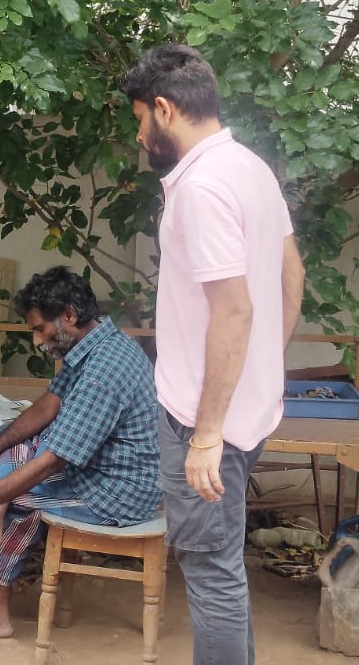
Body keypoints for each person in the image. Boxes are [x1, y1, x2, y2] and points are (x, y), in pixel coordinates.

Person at [120, 44, 306, 665]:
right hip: (245, 410)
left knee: (211, 573)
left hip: (207, 422)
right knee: (223, 564)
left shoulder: (200, 188)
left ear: (165, 110)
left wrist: (206, 434)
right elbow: (290, 278)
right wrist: (262, 370)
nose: (140, 136)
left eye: (141, 121)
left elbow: (234, 310)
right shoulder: (250, 167)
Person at [0, 266, 161, 639]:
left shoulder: (105, 369)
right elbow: (48, 406)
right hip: (94, 471)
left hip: (115, 493)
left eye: (40, 329)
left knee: (22, 500)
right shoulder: (92, 342)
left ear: (68, 315)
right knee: (12, 436)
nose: (38, 341)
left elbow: (52, 462)